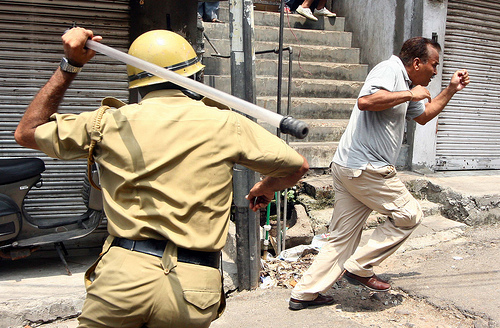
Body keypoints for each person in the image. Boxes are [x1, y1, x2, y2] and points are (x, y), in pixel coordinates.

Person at [15, 27, 309, 327]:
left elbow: (26, 132)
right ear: (194, 76)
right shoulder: (225, 123)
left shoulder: (106, 122)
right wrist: (266, 186)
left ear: (137, 81)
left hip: (122, 279)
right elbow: (297, 167)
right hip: (193, 286)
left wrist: (70, 65)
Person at [288, 36, 470, 310]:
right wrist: (410, 94)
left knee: (342, 237)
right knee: (409, 214)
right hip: (366, 168)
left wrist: (451, 89)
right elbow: (366, 101)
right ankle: (360, 267)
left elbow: (423, 115)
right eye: (434, 65)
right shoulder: (389, 70)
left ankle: (304, 293)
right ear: (417, 62)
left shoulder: (408, 84)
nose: (435, 71)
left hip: (349, 166)